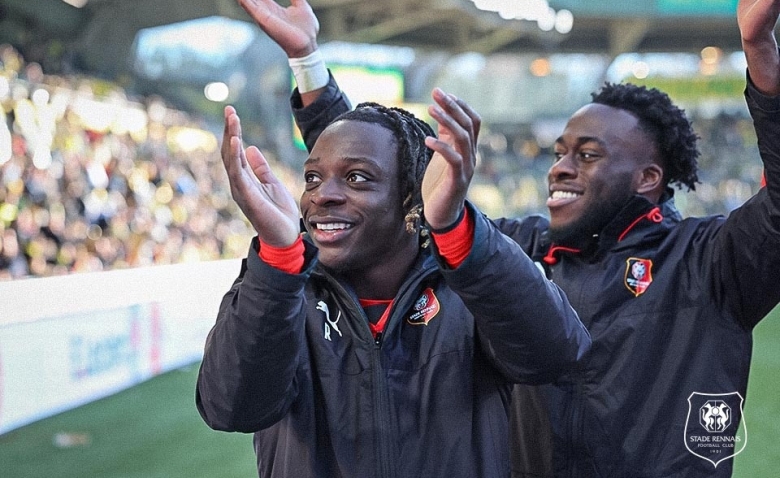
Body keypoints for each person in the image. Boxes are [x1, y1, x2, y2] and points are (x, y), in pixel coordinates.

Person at [235, 0, 780, 476]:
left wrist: (761, 59)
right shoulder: (515, 251)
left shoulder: (712, 261)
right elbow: (389, 181)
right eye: (560, 152)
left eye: (587, 155)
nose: (559, 168)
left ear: (648, 179)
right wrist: (309, 65)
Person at [195, 68, 592, 477]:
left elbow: (556, 355)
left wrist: (456, 229)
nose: (322, 195)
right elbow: (231, 408)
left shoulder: (470, 286)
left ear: (411, 200)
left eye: (356, 178)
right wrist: (278, 259)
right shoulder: (278, 289)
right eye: (313, 177)